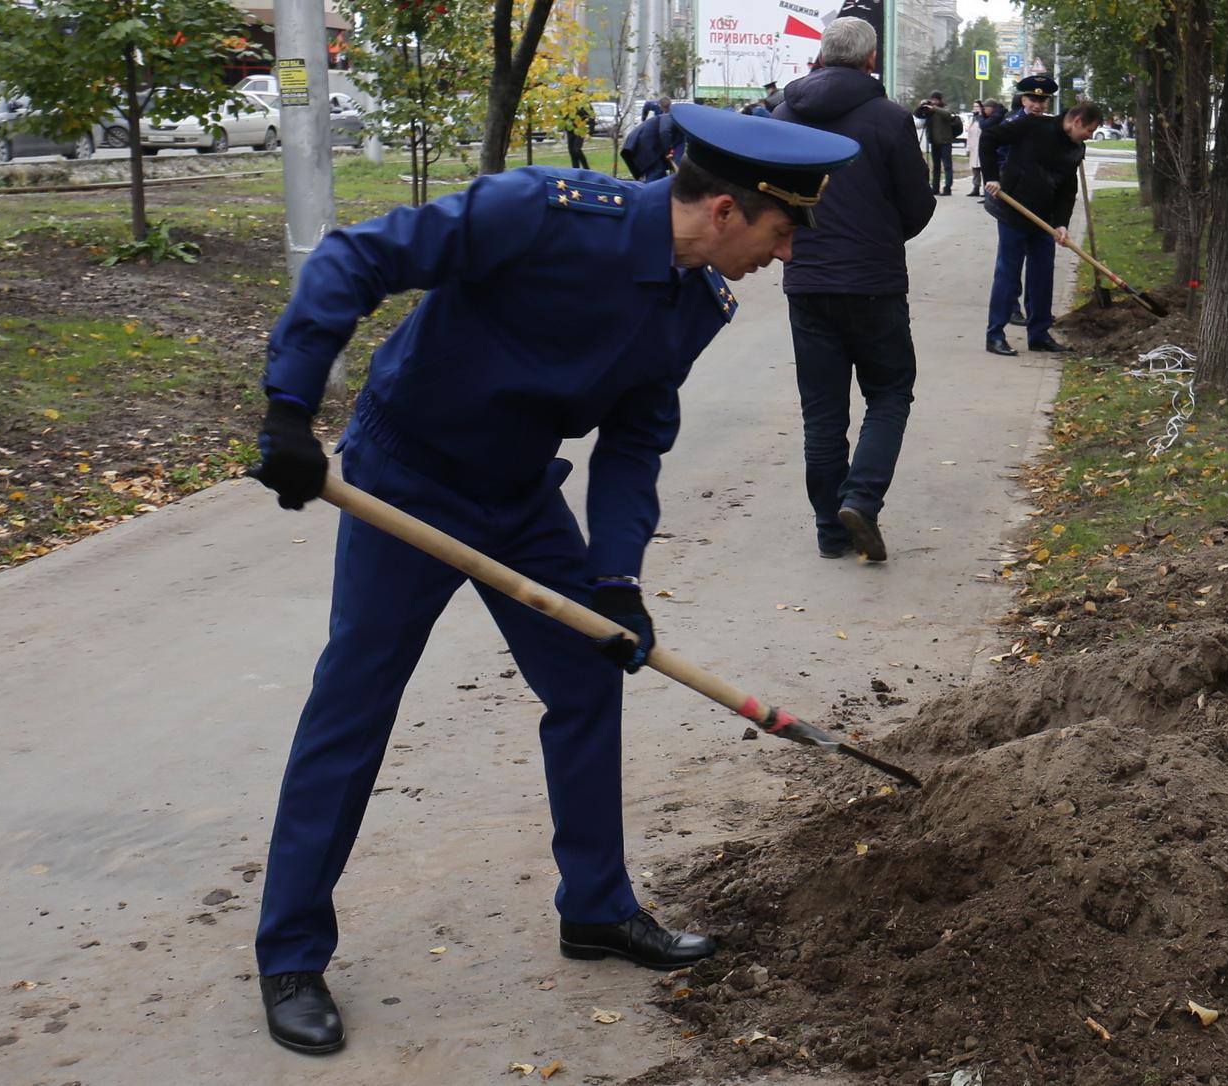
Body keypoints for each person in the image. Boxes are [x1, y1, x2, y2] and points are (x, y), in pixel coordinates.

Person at [241, 103, 858, 1057]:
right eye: (781, 236)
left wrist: (616, 577)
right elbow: (356, 260)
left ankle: (597, 908)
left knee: (587, 675)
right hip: (406, 472)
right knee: (355, 702)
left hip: (518, 497)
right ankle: (289, 953)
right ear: (729, 210)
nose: (783, 259)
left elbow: (636, 437)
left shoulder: (696, 300)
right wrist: (291, 406)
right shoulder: (544, 210)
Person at [772, 17, 938, 562]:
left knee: (822, 414)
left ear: (821, 56)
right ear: (871, 60)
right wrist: (884, 234)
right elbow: (917, 205)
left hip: (806, 279)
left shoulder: (785, 115)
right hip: (873, 282)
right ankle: (861, 500)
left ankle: (829, 529)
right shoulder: (889, 119)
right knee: (890, 393)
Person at [981, 87, 1100, 357]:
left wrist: (1062, 223)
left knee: (1042, 276)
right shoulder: (1032, 126)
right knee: (1008, 274)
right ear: (1077, 121)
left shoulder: (1075, 148)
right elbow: (989, 137)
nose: (1089, 136)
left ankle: (1038, 334)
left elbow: (1067, 189)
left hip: (1043, 219)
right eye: (1089, 130)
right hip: (1014, 211)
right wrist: (991, 176)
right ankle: (995, 335)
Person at [914, 91, 962, 196]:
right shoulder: (930, 111)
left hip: (945, 141)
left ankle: (947, 188)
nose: (934, 102)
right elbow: (917, 114)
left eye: (936, 99)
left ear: (940, 100)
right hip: (934, 142)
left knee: (947, 166)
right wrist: (921, 106)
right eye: (932, 99)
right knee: (936, 167)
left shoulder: (945, 108)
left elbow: (948, 114)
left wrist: (933, 108)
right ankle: (935, 188)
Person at [622, 98, 680, 180]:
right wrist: (668, 151)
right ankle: (650, 190)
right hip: (644, 145)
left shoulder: (668, 117)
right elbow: (664, 131)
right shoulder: (667, 116)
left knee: (660, 174)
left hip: (649, 145)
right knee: (656, 171)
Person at [967, 99, 1000, 195]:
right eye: (974, 107)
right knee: (975, 168)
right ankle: (975, 187)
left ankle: (985, 191)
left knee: (983, 168)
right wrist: (968, 147)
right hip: (974, 147)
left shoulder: (985, 119)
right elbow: (970, 133)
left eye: (977, 107)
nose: (976, 109)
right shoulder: (973, 119)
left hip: (982, 147)